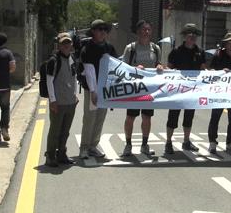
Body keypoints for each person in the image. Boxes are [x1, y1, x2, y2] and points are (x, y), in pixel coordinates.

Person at [121, 20, 164, 156]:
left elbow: (159, 64)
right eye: (143, 29)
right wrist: (134, 68)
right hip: (134, 88)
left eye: (148, 29)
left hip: (149, 89)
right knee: (130, 117)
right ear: (138, 32)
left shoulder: (156, 48)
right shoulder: (131, 48)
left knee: (147, 117)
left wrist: (160, 66)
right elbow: (123, 68)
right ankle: (128, 145)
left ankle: (144, 145)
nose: (146, 32)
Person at [164, 23, 206, 154]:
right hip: (177, 90)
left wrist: (216, 74)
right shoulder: (176, 51)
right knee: (173, 117)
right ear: (184, 35)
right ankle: (168, 142)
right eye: (189, 33)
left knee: (189, 117)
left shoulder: (200, 52)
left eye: (194, 33)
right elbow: (168, 69)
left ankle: (186, 141)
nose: (192, 36)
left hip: (193, 90)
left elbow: (204, 69)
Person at [79, 19, 118, 159]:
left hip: (105, 90)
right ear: (93, 32)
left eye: (105, 30)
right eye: (100, 29)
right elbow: (89, 71)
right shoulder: (87, 48)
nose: (103, 32)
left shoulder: (109, 47)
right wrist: (94, 91)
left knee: (100, 118)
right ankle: (84, 147)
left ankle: (93, 146)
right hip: (92, 89)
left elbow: (117, 65)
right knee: (90, 118)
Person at [207, 31, 231, 154]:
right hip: (219, 92)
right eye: (230, 42)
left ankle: (230, 143)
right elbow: (211, 70)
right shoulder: (218, 55)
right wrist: (219, 71)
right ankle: (212, 142)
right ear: (225, 44)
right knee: (215, 117)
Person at [44, 33, 79, 167]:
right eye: (63, 43)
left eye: (68, 43)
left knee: (65, 130)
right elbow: (49, 81)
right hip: (58, 102)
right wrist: (52, 100)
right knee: (55, 130)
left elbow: (74, 77)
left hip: (70, 101)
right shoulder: (54, 60)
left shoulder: (72, 59)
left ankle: (61, 153)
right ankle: (50, 155)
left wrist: (75, 95)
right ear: (59, 45)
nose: (66, 46)